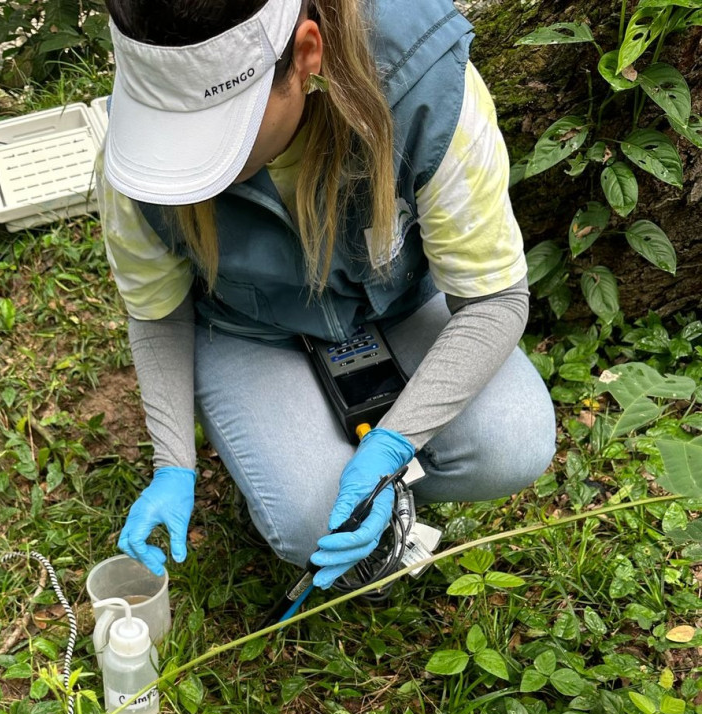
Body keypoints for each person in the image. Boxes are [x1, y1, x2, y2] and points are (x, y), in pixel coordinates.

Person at [96, 0, 556, 592]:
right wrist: (173, 464)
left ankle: (370, 477)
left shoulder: (425, 84)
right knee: (308, 522)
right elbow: (157, 315)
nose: (192, 168)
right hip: (249, 328)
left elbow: (494, 302)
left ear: (307, 55)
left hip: (397, 305)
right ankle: (315, 466)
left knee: (510, 444)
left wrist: (393, 444)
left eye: (217, 131)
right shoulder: (130, 149)